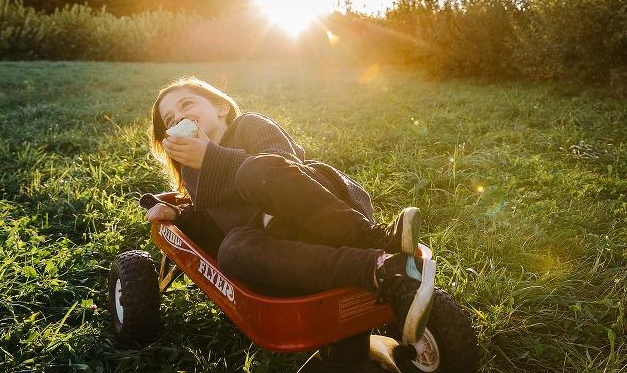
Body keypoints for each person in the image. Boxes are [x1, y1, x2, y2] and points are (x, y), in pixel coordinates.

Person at [143, 77, 436, 343]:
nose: (179, 116)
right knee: (232, 248)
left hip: (326, 215)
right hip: (292, 252)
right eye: (170, 118)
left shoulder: (249, 125)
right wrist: (181, 216)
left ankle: (379, 239)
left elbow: (282, 165)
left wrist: (212, 157)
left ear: (220, 107)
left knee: (253, 170)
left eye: (186, 104)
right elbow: (219, 222)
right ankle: (383, 270)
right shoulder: (194, 175)